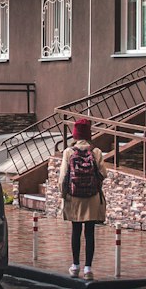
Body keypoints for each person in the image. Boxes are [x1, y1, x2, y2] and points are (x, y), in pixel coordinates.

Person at [58, 117, 106, 277]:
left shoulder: (68, 152)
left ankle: (75, 266)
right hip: (92, 198)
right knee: (90, 232)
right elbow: (103, 174)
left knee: (76, 230)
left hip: (74, 197)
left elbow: (63, 176)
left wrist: (63, 194)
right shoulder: (96, 152)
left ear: (75, 135)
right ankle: (88, 269)